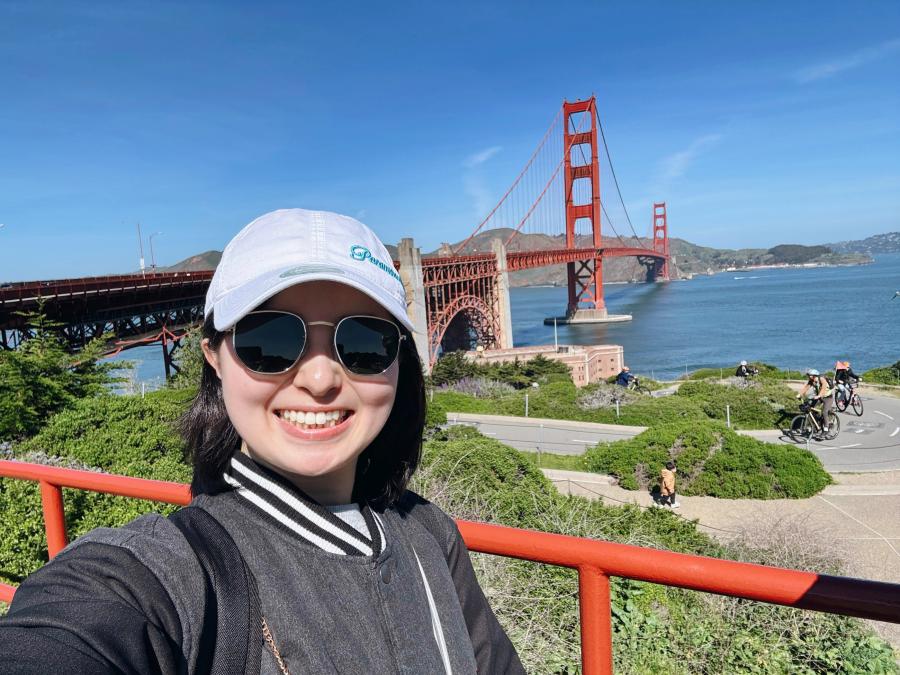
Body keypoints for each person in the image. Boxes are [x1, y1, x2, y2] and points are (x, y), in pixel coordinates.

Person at [0, 209, 524, 674]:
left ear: (398, 363)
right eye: (269, 339)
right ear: (213, 356)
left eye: (364, 341)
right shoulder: (160, 577)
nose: (320, 379)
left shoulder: (429, 534)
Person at [797, 368, 834, 438]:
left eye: (809, 375)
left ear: (814, 375)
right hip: (819, 397)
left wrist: (819, 395)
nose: (808, 376)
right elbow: (806, 388)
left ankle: (826, 430)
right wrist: (800, 394)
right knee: (810, 408)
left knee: (824, 412)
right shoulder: (812, 380)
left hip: (828, 398)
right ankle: (817, 423)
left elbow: (823, 388)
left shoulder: (821, 379)